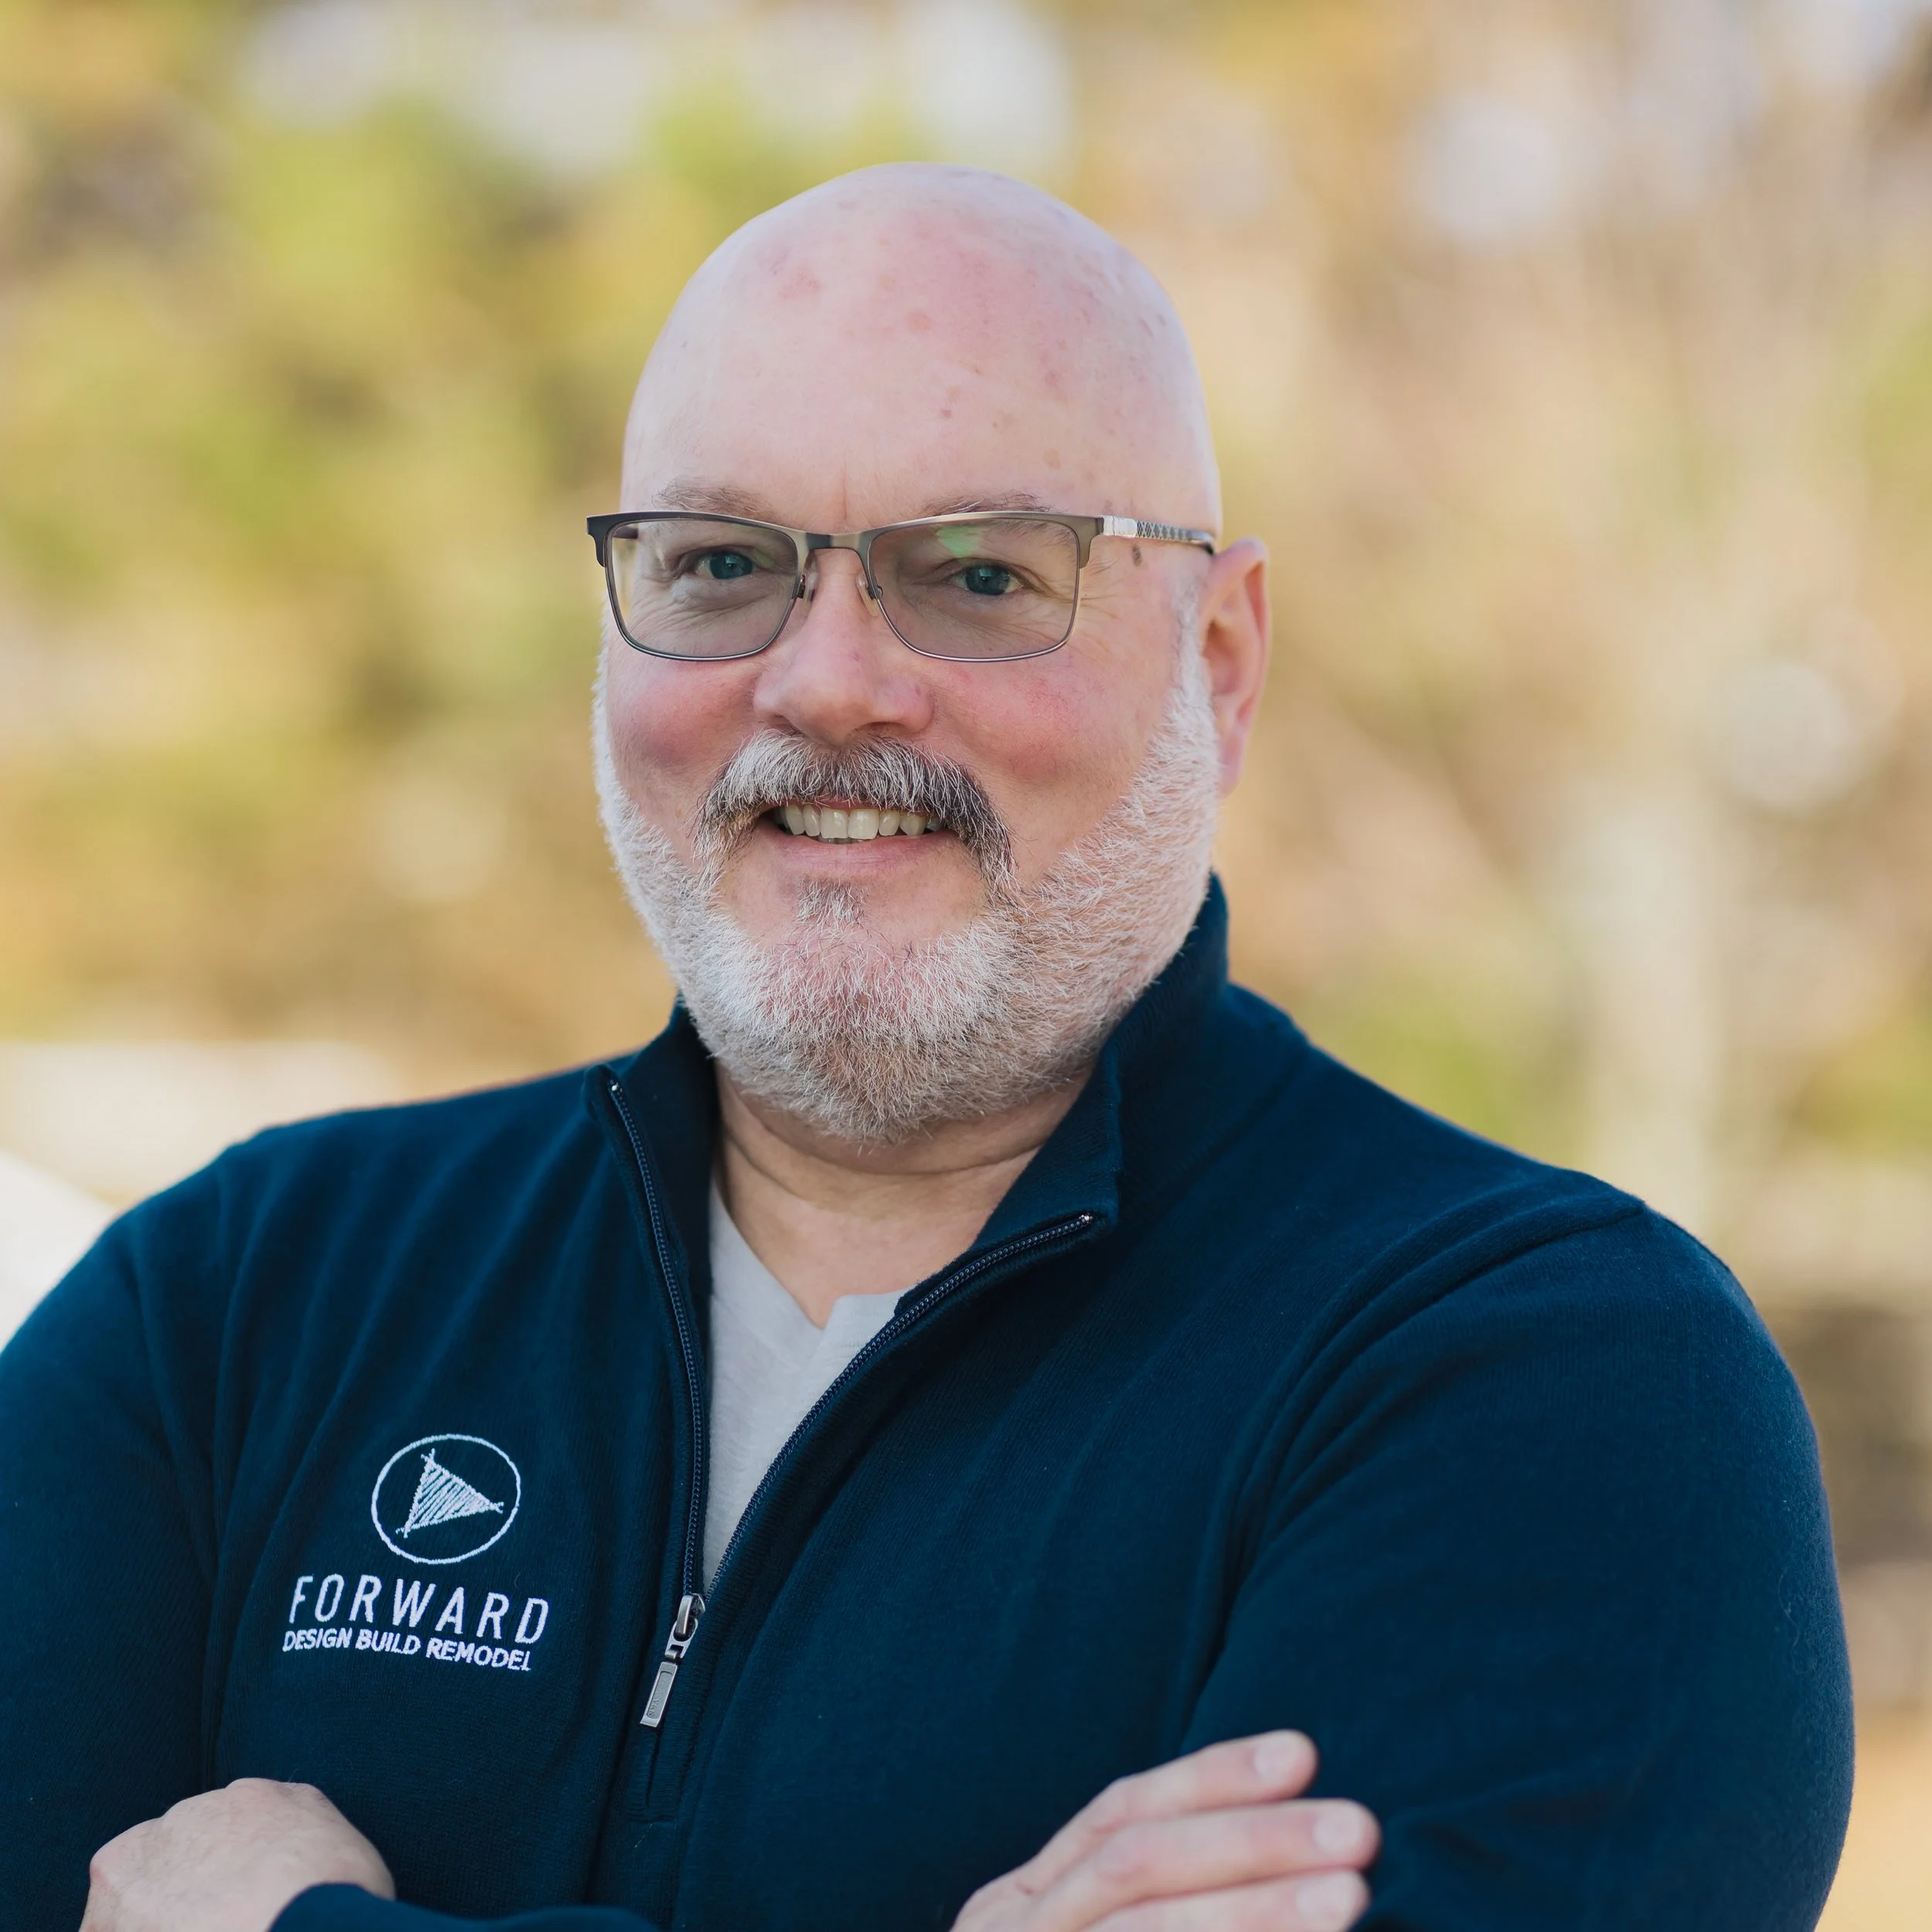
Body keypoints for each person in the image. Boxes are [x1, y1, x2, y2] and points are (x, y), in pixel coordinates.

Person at [0, 165, 1849, 1932]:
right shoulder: (234, 1312)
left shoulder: (1545, 1379)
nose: (821, 681)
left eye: (976, 574)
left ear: (1217, 662)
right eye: (720, 564)